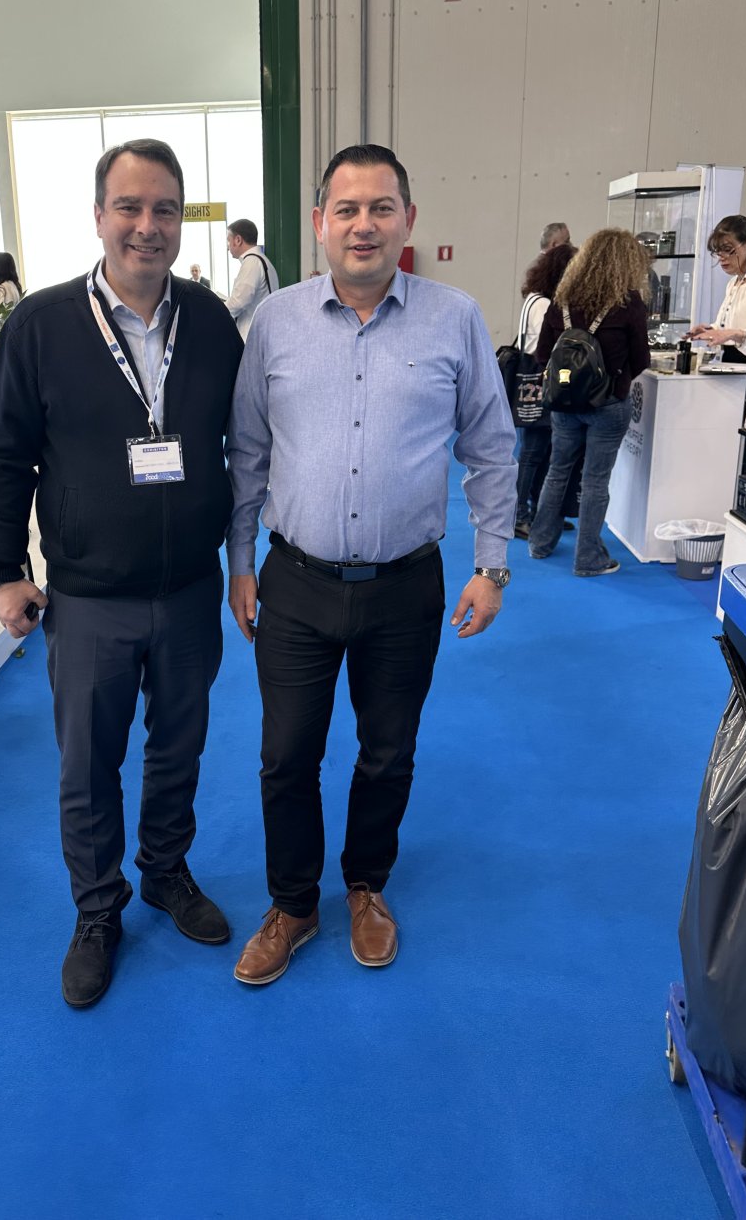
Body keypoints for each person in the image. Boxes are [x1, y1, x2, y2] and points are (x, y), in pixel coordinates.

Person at [225, 143, 517, 985]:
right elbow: (247, 451)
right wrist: (239, 561)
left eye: (381, 208)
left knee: (388, 750)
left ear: (407, 220)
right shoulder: (276, 322)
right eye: (347, 209)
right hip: (294, 579)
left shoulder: (454, 317)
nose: (364, 225)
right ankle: (293, 903)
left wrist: (491, 564)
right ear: (320, 222)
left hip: (405, 584)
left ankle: (365, 886)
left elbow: (492, 447)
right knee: (287, 755)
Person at [0, 139, 243, 1010]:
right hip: (89, 596)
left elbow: (241, 441)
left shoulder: (210, 323)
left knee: (179, 744)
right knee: (88, 764)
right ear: (99, 216)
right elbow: (5, 453)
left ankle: (165, 868)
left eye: (164, 208)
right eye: (129, 206)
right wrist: (5, 569)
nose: (146, 225)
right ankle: (98, 910)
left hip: (190, 587)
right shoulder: (42, 325)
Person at [528, 228, 651, 576]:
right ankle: (589, 558)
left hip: (564, 403)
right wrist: (616, 378)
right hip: (608, 404)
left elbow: (543, 354)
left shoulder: (563, 300)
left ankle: (540, 543)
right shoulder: (629, 303)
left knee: (557, 471)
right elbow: (641, 359)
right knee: (595, 481)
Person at [513, 241, 578, 539]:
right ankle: (519, 515)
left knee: (539, 452)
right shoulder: (543, 304)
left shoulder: (535, 298)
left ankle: (539, 512)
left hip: (536, 381)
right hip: (540, 381)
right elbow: (548, 347)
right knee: (533, 453)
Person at [688, 215, 746, 350]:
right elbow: (727, 326)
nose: (722, 257)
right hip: (730, 360)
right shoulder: (733, 283)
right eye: (718, 251)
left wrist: (735, 334)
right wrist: (711, 330)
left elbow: (734, 332)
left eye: (727, 249)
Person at [226, 218, 279, 340]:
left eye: (228, 241)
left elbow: (238, 302)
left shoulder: (252, 262)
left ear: (238, 240)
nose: (227, 247)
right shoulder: (262, 261)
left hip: (251, 336)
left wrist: (214, 311)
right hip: (262, 334)